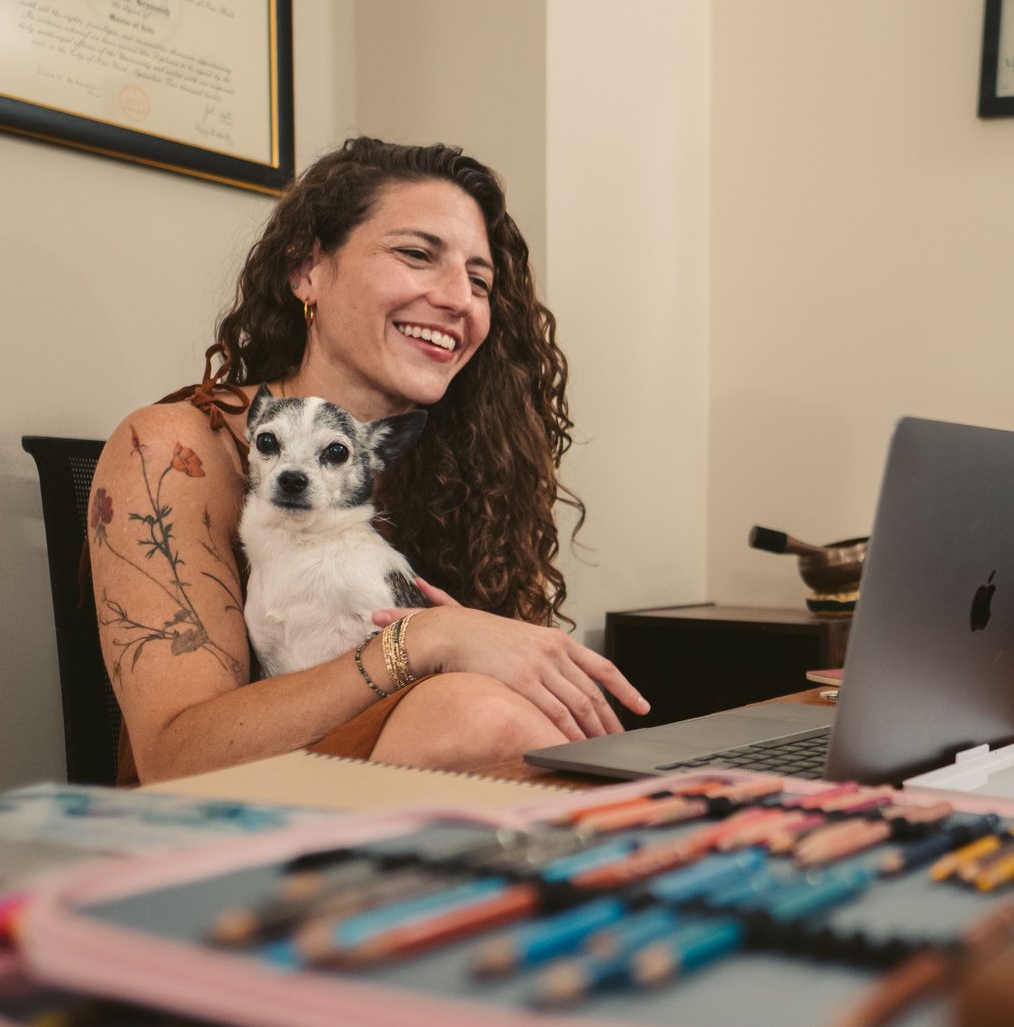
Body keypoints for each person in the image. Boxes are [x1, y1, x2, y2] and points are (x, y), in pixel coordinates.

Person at [87, 138, 647, 783]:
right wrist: (427, 641)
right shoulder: (174, 450)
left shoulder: (460, 468)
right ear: (306, 269)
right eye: (416, 254)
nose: (459, 299)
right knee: (471, 716)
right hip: (227, 824)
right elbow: (174, 759)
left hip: (419, 819)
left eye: (480, 281)